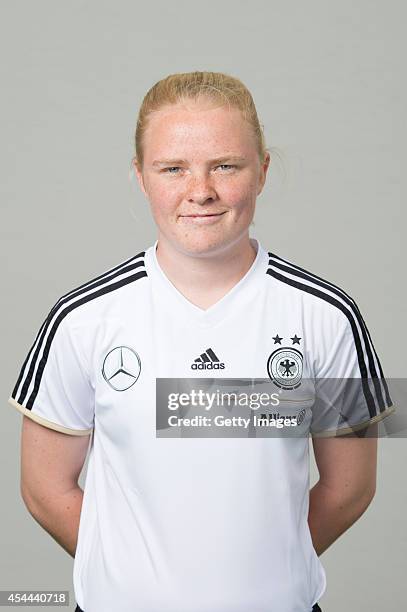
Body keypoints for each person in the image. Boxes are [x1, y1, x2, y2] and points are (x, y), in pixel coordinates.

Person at [8, 71, 395, 612]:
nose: (201, 191)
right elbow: (44, 488)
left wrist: (259, 571)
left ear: (261, 171)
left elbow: (350, 489)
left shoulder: (328, 317)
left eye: (226, 166)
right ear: (142, 177)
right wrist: (136, 576)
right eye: (173, 169)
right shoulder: (82, 320)